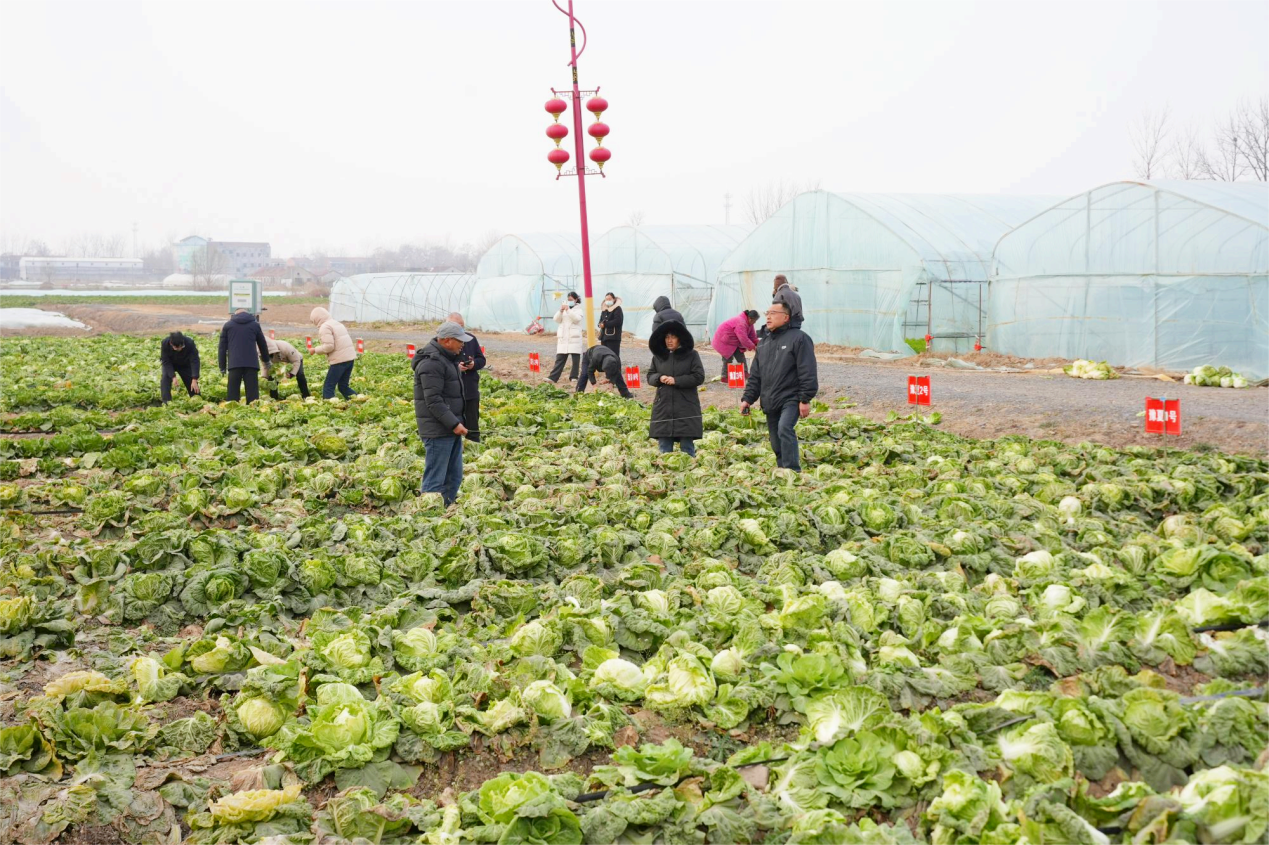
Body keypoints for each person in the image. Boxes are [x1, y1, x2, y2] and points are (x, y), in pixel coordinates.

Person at [740, 302, 818, 472]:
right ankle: (782, 471)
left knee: (785, 428)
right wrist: (747, 399)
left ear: (785, 317)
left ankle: (793, 471)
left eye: (773, 313)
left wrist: (805, 399)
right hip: (770, 399)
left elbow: (807, 370)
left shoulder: (799, 339)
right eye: (767, 313)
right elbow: (756, 375)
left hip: (791, 397)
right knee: (775, 440)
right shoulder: (764, 343)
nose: (768, 317)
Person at [413, 321, 471, 506]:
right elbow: (433, 401)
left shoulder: (447, 359)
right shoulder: (432, 363)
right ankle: (428, 515)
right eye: (459, 341)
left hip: (448, 427)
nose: (463, 344)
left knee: (454, 476)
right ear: (447, 341)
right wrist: (454, 423)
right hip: (438, 430)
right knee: (435, 479)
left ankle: (445, 509)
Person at [647, 320, 705, 456]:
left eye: (673, 337)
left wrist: (676, 380)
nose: (669, 340)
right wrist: (659, 378)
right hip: (663, 408)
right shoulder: (658, 357)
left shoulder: (692, 355)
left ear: (680, 338)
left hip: (686, 407)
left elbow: (699, 376)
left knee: (687, 448)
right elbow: (650, 376)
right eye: (667, 337)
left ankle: (689, 469)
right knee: (664, 450)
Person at [218, 309, 271, 404]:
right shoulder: (255, 325)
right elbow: (262, 344)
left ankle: (232, 411)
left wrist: (222, 366)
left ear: (235, 314)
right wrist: (266, 361)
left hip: (234, 363)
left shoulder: (228, 325)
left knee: (232, 394)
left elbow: (222, 347)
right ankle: (253, 410)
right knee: (252, 394)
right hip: (251, 364)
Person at [448, 312, 485, 442]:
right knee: (453, 424)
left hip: (470, 389)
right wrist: (456, 368)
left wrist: (473, 364)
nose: (461, 328)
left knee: (472, 424)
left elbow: (482, 360)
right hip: (452, 393)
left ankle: (474, 445)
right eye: (457, 326)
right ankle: (457, 447)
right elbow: (441, 365)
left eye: (462, 326)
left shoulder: (471, 339)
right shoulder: (445, 342)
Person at [309, 307, 359, 399]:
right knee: (343, 386)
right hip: (349, 359)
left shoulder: (325, 327)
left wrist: (315, 350)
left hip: (339, 360)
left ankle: (329, 406)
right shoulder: (336, 323)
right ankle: (359, 401)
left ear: (317, 319)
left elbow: (329, 347)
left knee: (328, 387)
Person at [711, 309, 760, 381]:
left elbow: (752, 336)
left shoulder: (750, 324)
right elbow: (743, 339)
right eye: (754, 321)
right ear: (750, 318)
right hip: (724, 340)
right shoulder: (741, 322)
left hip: (734, 341)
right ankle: (724, 376)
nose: (755, 322)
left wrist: (757, 343)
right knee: (727, 358)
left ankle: (744, 372)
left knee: (741, 356)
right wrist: (753, 347)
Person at [547, 292, 584, 383]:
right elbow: (556, 319)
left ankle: (574, 377)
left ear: (576, 300)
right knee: (560, 358)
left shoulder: (579, 310)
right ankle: (553, 377)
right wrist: (560, 311)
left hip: (574, 337)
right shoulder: (563, 310)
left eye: (571, 299)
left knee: (575, 359)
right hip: (563, 337)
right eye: (568, 299)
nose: (569, 301)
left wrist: (568, 310)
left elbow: (576, 319)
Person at [160, 331, 201, 403]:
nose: (179, 349)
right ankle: (166, 402)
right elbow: (166, 361)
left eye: (181, 347)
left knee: (191, 382)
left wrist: (194, 378)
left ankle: (197, 401)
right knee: (165, 379)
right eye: (176, 348)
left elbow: (194, 360)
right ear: (171, 344)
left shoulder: (189, 343)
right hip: (170, 364)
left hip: (184, 364)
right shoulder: (165, 343)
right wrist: (173, 376)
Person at [598, 292, 624, 357]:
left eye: (610, 299)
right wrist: (600, 324)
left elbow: (618, 321)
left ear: (614, 299)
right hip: (604, 337)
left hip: (613, 337)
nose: (608, 301)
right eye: (606, 299)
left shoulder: (618, 309)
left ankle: (616, 364)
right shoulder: (604, 310)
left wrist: (605, 324)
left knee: (613, 355)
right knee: (605, 356)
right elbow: (600, 320)